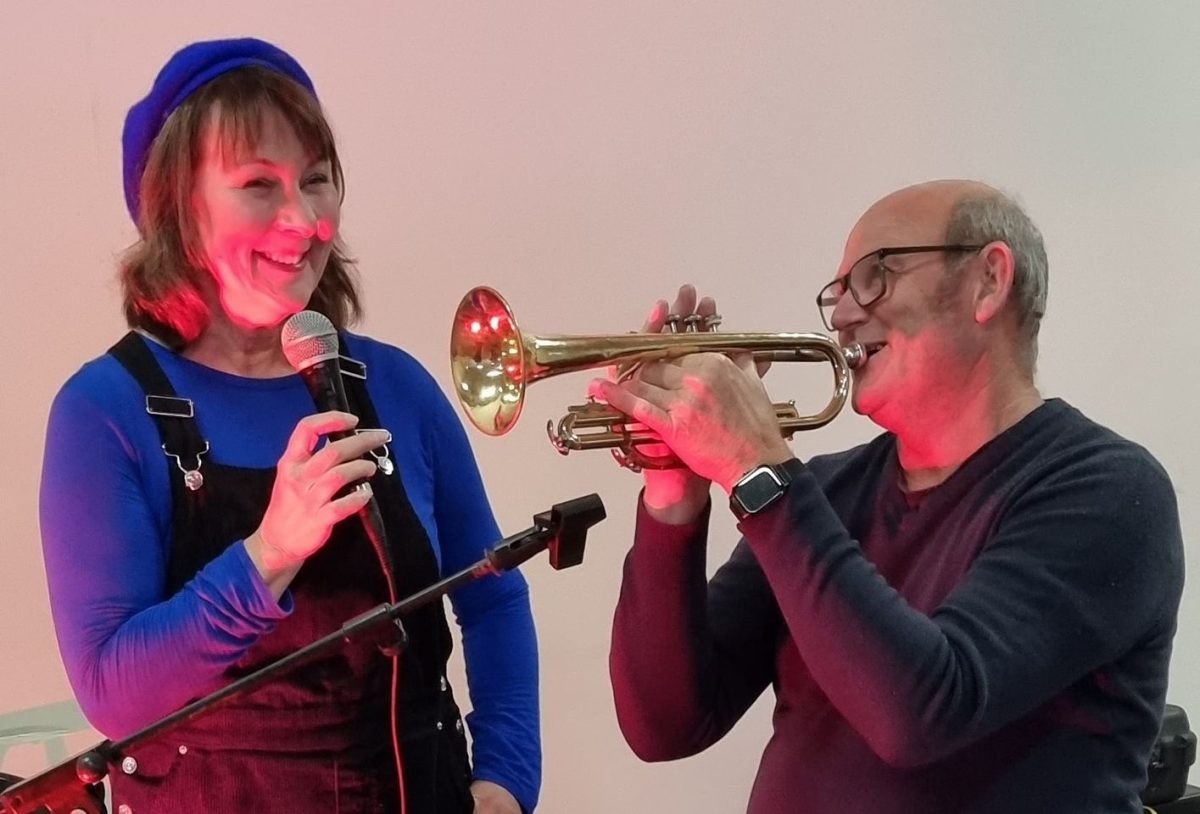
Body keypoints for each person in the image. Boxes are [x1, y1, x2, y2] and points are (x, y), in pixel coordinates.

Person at [39, 37, 538, 814]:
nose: (304, 222)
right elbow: (113, 693)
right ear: (179, 207)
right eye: (259, 186)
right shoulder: (103, 413)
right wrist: (270, 552)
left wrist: (506, 783)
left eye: (315, 181)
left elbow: (494, 595)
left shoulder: (397, 384)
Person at [594, 180, 1184, 812]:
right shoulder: (824, 489)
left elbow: (922, 710)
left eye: (877, 275)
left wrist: (757, 469)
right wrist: (671, 492)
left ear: (989, 280)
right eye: (838, 294)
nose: (845, 314)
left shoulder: (1109, 491)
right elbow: (664, 724)